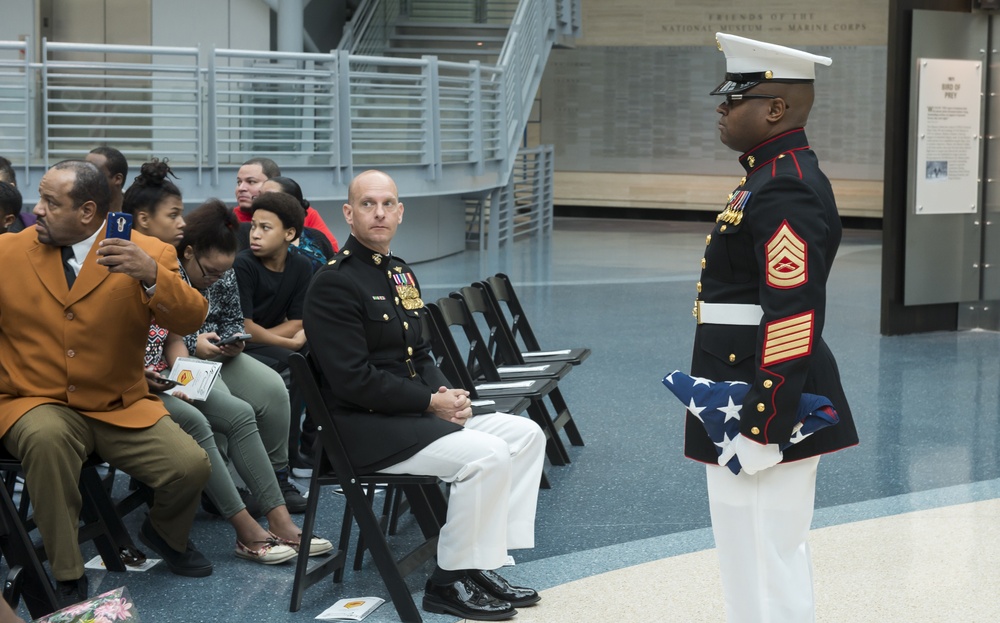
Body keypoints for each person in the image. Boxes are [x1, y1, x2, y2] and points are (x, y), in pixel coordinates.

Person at [303, 169, 546, 621]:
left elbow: (422, 351)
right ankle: (448, 582)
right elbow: (352, 380)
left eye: (387, 204)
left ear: (399, 212)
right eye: (368, 204)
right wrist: (429, 404)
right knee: (487, 455)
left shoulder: (400, 273)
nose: (379, 212)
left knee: (526, 435)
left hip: (415, 415)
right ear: (349, 214)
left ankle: (479, 563)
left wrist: (447, 394)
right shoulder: (334, 283)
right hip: (366, 430)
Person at [687, 33, 859, 623]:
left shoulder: (783, 182)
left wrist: (766, 418)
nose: (722, 108)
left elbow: (793, 313)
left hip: (760, 394)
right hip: (735, 383)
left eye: (735, 99)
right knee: (745, 547)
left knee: (766, 549)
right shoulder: (764, 175)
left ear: (776, 109)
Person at [0, 160, 212, 607]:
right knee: (47, 438)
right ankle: (67, 572)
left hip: (118, 402)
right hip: (36, 399)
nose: (36, 210)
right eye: (39, 198)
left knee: (190, 466)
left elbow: (190, 317)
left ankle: (163, 533)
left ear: (87, 212)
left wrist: (152, 276)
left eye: (50, 203)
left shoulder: (148, 252)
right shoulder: (7, 251)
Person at [123, 168, 326, 560]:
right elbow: (125, 340)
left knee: (242, 410)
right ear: (145, 220)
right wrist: (184, 362)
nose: (181, 224)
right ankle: (246, 528)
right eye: (173, 215)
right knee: (203, 420)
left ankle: (278, 514)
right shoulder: (131, 265)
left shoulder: (164, 263)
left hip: (176, 365)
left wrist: (186, 368)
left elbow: (174, 333)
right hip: (136, 380)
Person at [233, 157, 339, 249]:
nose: (241, 188)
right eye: (239, 182)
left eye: (251, 182)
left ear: (272, 183)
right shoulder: (229, 219)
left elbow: (331, 251)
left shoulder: (304, 214)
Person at [260, 175, 338, 268]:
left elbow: (333, 269)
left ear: (292, 204)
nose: (260, 202)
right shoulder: (255, 237)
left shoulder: (316, 237)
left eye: (269, 198)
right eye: (258, 197)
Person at [85, 146, 128, 214]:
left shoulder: (137, 211)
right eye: (84, 171)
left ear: (117, 179)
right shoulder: (76, 208)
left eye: (94, 173)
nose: (86, 178)